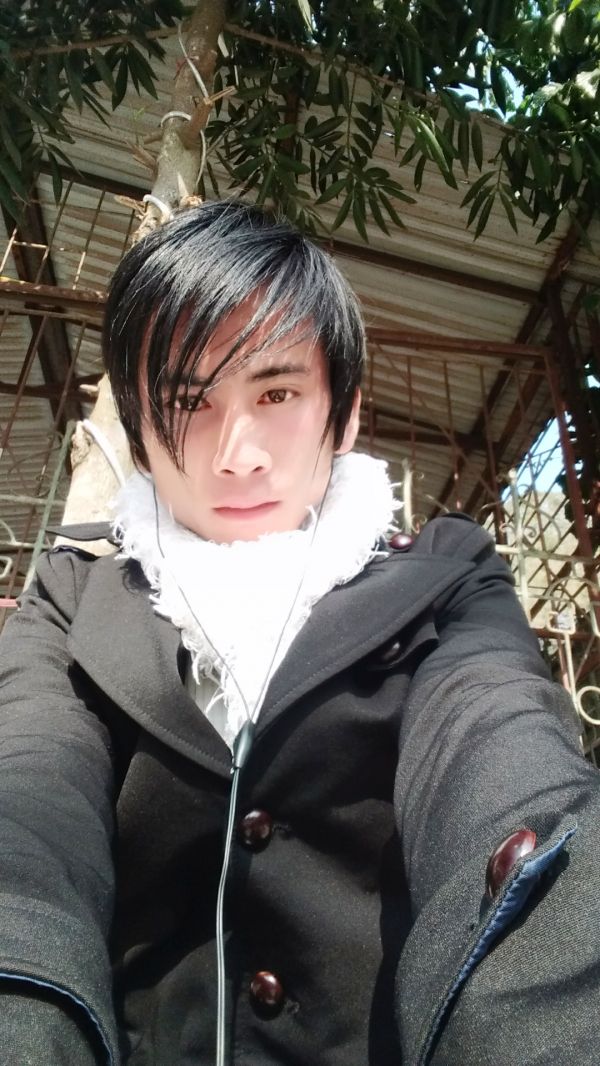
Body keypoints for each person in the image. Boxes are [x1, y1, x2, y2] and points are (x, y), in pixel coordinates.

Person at [0, 200, 598, 1066]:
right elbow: (28, 809)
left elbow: (501, 752)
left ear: (343, 411)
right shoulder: (75, 592)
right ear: (139, 431)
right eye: (188, 401)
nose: (237, 454)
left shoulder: (444, 575)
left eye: (277, 392)